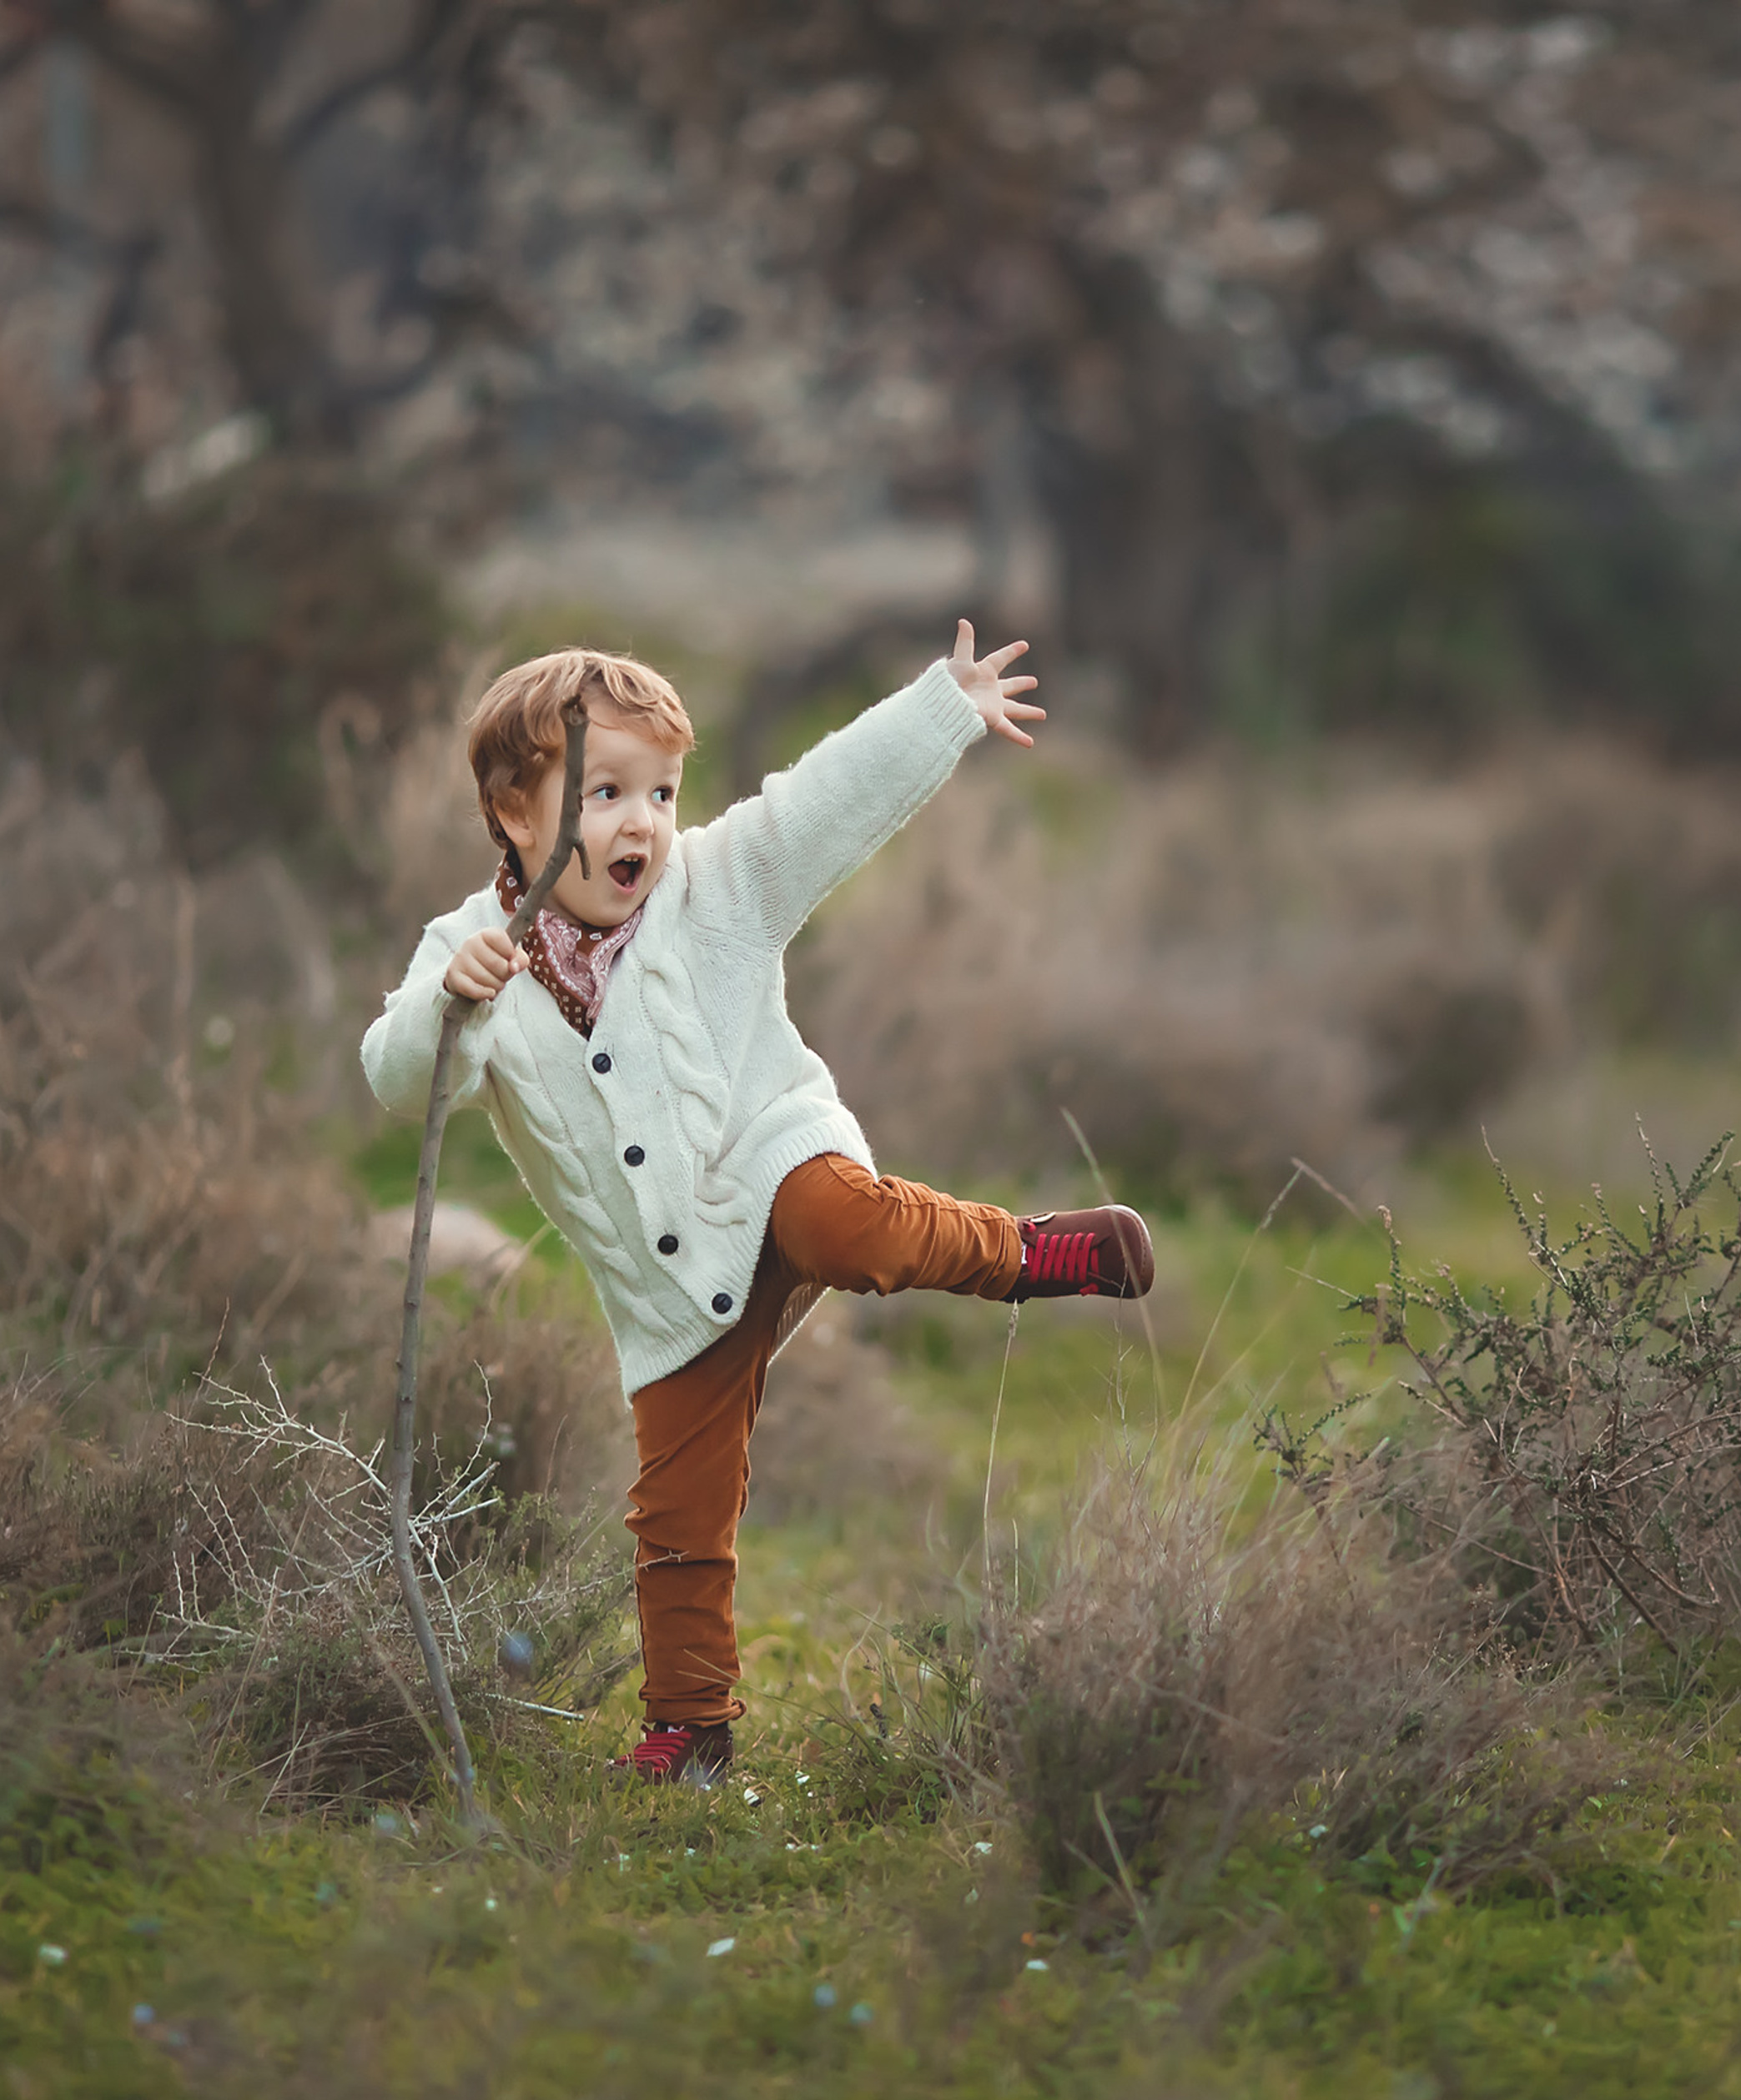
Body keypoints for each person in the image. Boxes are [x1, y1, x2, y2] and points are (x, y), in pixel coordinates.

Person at [361, 623, 1154, 1788]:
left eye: (661, 792)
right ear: (514, 816)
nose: (642, 821)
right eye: (605, 793)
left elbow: (821, 801)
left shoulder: (716, 884)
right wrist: (448, 1005)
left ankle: (1035, 1253)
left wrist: (942, 708)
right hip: (667, 1292)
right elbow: (393, 1085)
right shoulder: (465, 951)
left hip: (774, 1160)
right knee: (677, 1521)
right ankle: (692, 1729)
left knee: (852, 1228)